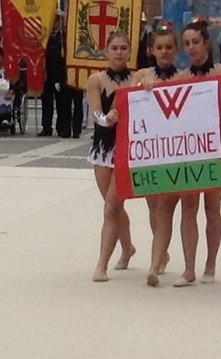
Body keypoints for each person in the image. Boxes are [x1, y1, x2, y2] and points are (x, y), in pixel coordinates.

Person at [172, 19, 221, 287]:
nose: (191, 48)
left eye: (196, 42)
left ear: (206, 43)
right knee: (188, 207)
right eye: (187, 43)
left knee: (212, 207)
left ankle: (210, 264)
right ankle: (189, 267)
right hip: (189, 150)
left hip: (215, 148)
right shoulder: (180, 77)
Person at [86, 30, 138, 281]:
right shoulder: (96, 80)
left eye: (123, 48)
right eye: (114, 48)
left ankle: (102, 264)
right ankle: (127, 248)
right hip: (103, 148)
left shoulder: (138, 77)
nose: (119, 52)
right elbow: (96, 113)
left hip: (126, 149)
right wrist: (107, 119)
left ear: (130, 51)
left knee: (111, 206)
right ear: (106, 51)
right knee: (114, 206)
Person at [133, 22, 181, 287]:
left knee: (164, 209)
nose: (164, 52)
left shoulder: (183, 77)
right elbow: (125, 103)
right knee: (153, 206)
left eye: (169, 47)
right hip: (149, 151)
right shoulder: (141, 74)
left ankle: (154, 264)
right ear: (151, 50)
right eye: (159, 47)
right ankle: (162, 252)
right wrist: (140, 87)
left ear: (176, 51)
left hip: (175, 152)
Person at [41, 13, 66, 137]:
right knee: (46, 102)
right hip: (46, 73)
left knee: (61, 103)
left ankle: (61, 127)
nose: (54, 23)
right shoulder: (46, 36)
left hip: (58, 73)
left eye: (56, 21)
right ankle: (46, 127)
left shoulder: (63, 36)